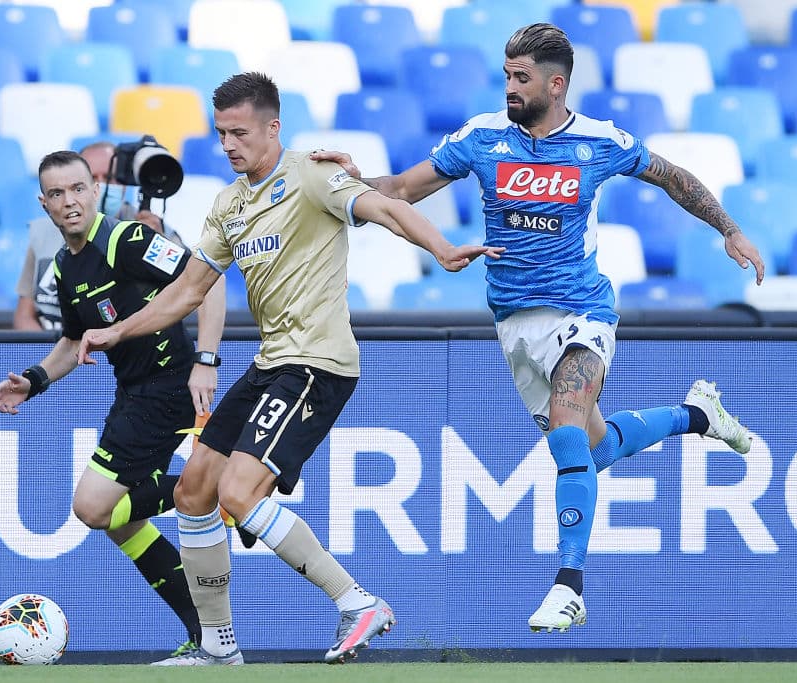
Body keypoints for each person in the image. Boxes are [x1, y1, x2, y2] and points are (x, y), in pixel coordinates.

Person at [311, 23, 766, 634]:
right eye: (505, 75)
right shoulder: (482, 138)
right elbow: (399, 190)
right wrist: (344, 182)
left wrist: (729, 228)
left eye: (520, 77)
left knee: (568, 437)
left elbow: (672, 176)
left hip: (583, 312)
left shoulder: (598, 141)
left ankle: (568, 586)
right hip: (515, 323)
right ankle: (697, 415)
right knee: (596, 450)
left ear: (556, 83)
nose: (509, 87)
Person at [76, 72, 504, 666]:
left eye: (240, 132)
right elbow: (188, 291)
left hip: (317, 363)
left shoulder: (310, 174)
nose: (228, 145)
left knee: (237, 491)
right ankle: (217, 646)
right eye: (221, 133)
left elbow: (384, 206)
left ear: (274, 128)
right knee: (196, 491)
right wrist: (116, 330)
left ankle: (357, 603)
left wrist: (441, 249)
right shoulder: (229, 204)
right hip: (268, 364)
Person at [0, 149, 227, 661]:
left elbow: (208, 281)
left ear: (94, 190)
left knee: (92, 507)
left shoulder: (127, 240)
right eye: (56, 194)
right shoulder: (63, 264)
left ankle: (217, 489)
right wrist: (33, 381)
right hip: (134, 394)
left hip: (167, 390)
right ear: (44, 202)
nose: (69, 201)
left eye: (77, 188)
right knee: (123, 523)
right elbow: (75, 340)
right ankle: (209, 636)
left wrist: (205, 361)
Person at [13, 141, 185, 331]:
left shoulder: (150, 233)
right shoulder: (42, 233)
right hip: (63, 346)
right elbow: (24, 314)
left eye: (110, 178)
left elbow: (195, 285)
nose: (103, 185)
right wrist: (44, 353)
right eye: (93, 177)